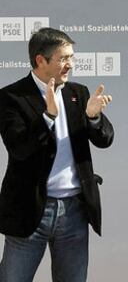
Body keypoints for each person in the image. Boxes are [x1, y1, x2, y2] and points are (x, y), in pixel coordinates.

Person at [0, 27, 114, 282]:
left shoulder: (78, 93)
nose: (70, 65)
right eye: (63, 58)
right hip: (30, 211)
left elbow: (104, 139)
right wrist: (48, 117)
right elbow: (19, 148)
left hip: (74, 212)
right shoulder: (11, 97)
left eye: (71, 57)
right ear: (41, 60)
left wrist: (94, 118)